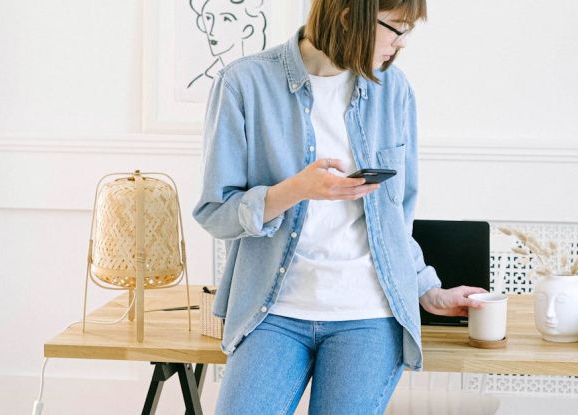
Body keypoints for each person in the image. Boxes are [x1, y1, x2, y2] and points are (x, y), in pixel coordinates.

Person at [193, 0, 487, 413]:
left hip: (368, 315)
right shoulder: (244, 83)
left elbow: (396, 220)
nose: (401, 43)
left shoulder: (393, 91)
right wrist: (294, 190)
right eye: (396, 28)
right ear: (351, 17)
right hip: (272, 312)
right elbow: (215, 212)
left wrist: (426, 289)